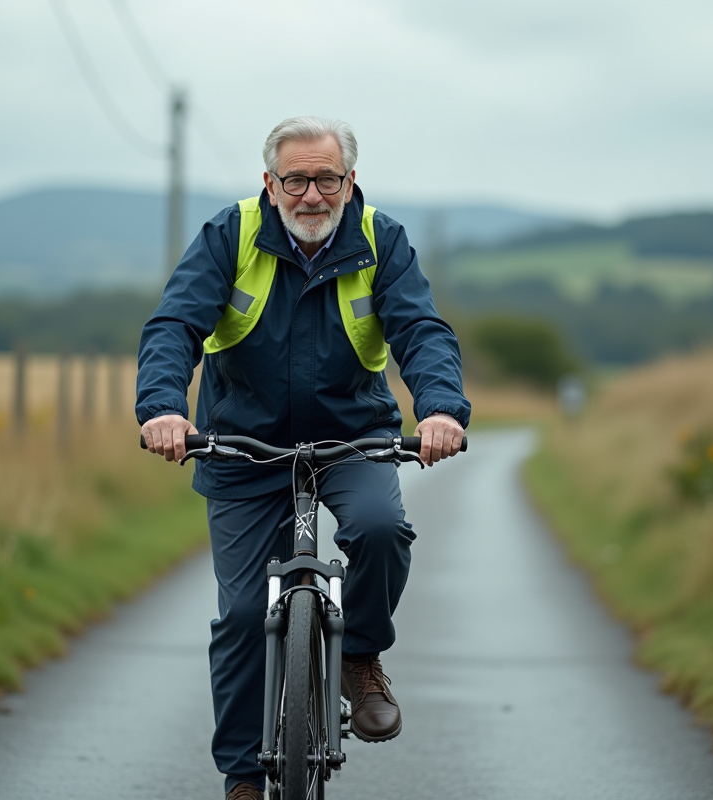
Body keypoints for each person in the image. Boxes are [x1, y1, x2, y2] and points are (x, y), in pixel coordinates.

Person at [136, 116, 470, 800]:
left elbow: (420, 330)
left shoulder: (381, 240)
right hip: (242, 444)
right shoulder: (231, 235)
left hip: (355, 437)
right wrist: (163, 409)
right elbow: (176, 325)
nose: (311, 195)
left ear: (351, 182)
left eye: (327, 179)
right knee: (237, 617)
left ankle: (360, 655)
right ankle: (242, 779)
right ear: (270, 183)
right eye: (296, 179)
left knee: (380, 528)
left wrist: (439, 409)